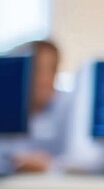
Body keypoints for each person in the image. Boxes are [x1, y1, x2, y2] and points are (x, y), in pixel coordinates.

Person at [0, 40, 71, 174]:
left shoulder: (68, 107)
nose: (43, 79)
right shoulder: (7, 107)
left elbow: (81, 162)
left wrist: (50, 165)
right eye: (36, 69)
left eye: (50, 69)